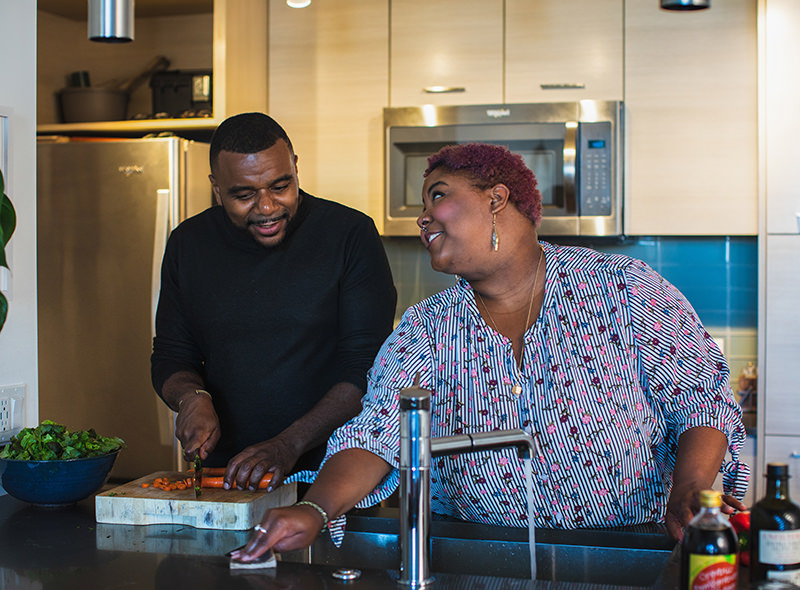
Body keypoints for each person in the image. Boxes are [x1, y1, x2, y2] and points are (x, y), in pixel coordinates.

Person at [231, 142, 749, 562]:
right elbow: (379, 433)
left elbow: (700, 400)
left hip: (625, 547)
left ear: (497, 198)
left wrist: (692, 489)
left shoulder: (623, 289)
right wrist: (317, 510)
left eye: (437, 196)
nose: (422, 217)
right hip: (471, 551)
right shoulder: (429, 326)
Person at [150, 112, 397, 490]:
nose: (266, 207)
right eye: (244, 194)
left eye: (280, 186)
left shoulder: (348, 235)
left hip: (335, 475)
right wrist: (190, 398)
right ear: (217, 188)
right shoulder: (189, 244)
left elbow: (367, 368)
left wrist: (288, 444)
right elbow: (171, 354)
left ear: (296, 168)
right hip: (227, 475)